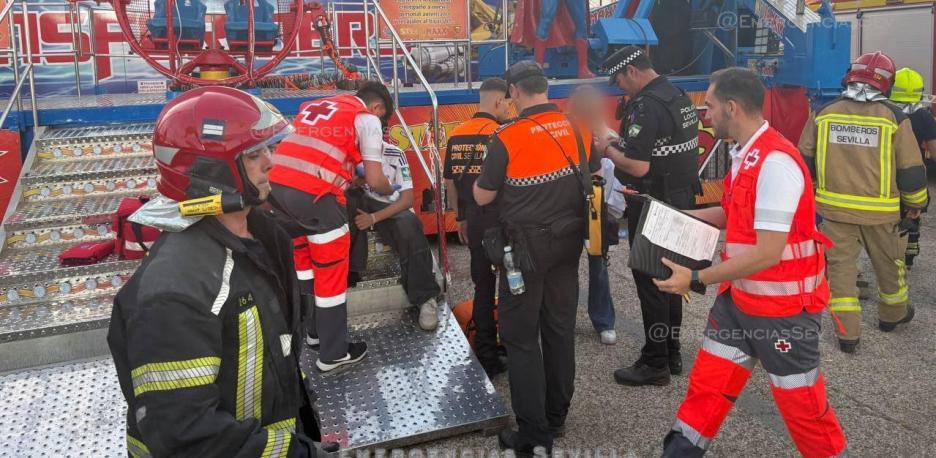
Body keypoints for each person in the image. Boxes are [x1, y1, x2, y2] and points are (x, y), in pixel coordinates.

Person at [108, 87, 330, 456]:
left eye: (268, 149)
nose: (271, 161)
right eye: (254, 155)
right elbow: (187, 436)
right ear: (211, 172)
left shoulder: (259, 237)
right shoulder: (175, 290)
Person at [654, 68, 848, 457]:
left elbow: (767, 252)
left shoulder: (775, 163)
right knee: (706, 392)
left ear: (732, 107)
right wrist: (674, 215)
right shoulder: (746, 153)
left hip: (783, 314)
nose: (705, 114)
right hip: (739, 303)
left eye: (709, 106)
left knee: (805, 413)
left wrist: (696, 277)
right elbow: (734, 214)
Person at [474, 61, 601, 455]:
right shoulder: (577, 127)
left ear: (513, 92)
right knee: (560, 328)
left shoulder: (507, 137)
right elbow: (594, 172)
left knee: (521, 337)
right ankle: (556, 416)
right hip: (568, 244)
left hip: (523, 254)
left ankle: (532, 434)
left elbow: (483, 195)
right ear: (545, 86)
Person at [798, 52, 926, 353]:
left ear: (850, 76)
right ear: (887, 83)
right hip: (881, 214)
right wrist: (915, 203)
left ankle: (848, 335)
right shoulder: (895, 118)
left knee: (841, 271)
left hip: (834, 212)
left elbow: (804, 159)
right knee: (890, 265)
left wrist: (813, 192)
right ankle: (891, 316)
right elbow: (910, 169)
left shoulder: (824, 113)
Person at [268, 81, 396, 371]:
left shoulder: (318, 107)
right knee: (331, 274)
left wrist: (350, 174)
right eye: (382, 118)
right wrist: (390, 189)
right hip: (317, 198)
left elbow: (317, 155)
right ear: (376, 107)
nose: (380, 123)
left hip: (277, 190)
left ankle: (313, 333)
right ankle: (333, 354)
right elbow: (376, 180)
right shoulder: (367, 118)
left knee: (304, 266)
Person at [596, 46, 700, 385]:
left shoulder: (646, 106)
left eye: (618, 80)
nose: (619, 86)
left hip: (654, 203)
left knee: (652, 282)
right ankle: (671, 351)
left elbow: (639, 166)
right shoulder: (677, 96)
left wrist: (607, 149)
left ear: (632, 71)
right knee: (674, 278)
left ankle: (655, 362)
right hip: (680, 198)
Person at [443, 77, 512, 376]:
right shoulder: (502, 134)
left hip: (473, 219)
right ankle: (509, 343)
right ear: (498, 101)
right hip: (502, 219)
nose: (509, 108)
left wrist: (459, 218)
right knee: (511, 282)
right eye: (508, 102)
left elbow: (450, 182)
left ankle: (486, 354)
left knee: (483, 285)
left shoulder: (456, 133)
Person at [347, 142, 441, 330]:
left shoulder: (395, 154)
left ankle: (425, 297)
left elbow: (407, 200)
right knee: (341, 206)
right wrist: (355, 181)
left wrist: (373, 218)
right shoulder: (350, 153)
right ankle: (342, 278)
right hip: (361, 201)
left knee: (409, 225)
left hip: (389, 206)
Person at [566, 84, 621, 345]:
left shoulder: (607, 136)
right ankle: (575, 320)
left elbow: (610, 182)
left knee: (596, 267)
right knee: (571, 268)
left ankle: (602, 321)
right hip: (574, 210)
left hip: (596, 211)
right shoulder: (568, 132)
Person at [889, 67, 936, 269]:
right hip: (914, 176)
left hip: (887, 175)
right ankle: (908, 257)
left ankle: (889, 254)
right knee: (913, 214)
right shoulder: (923, 116)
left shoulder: (886, 113)